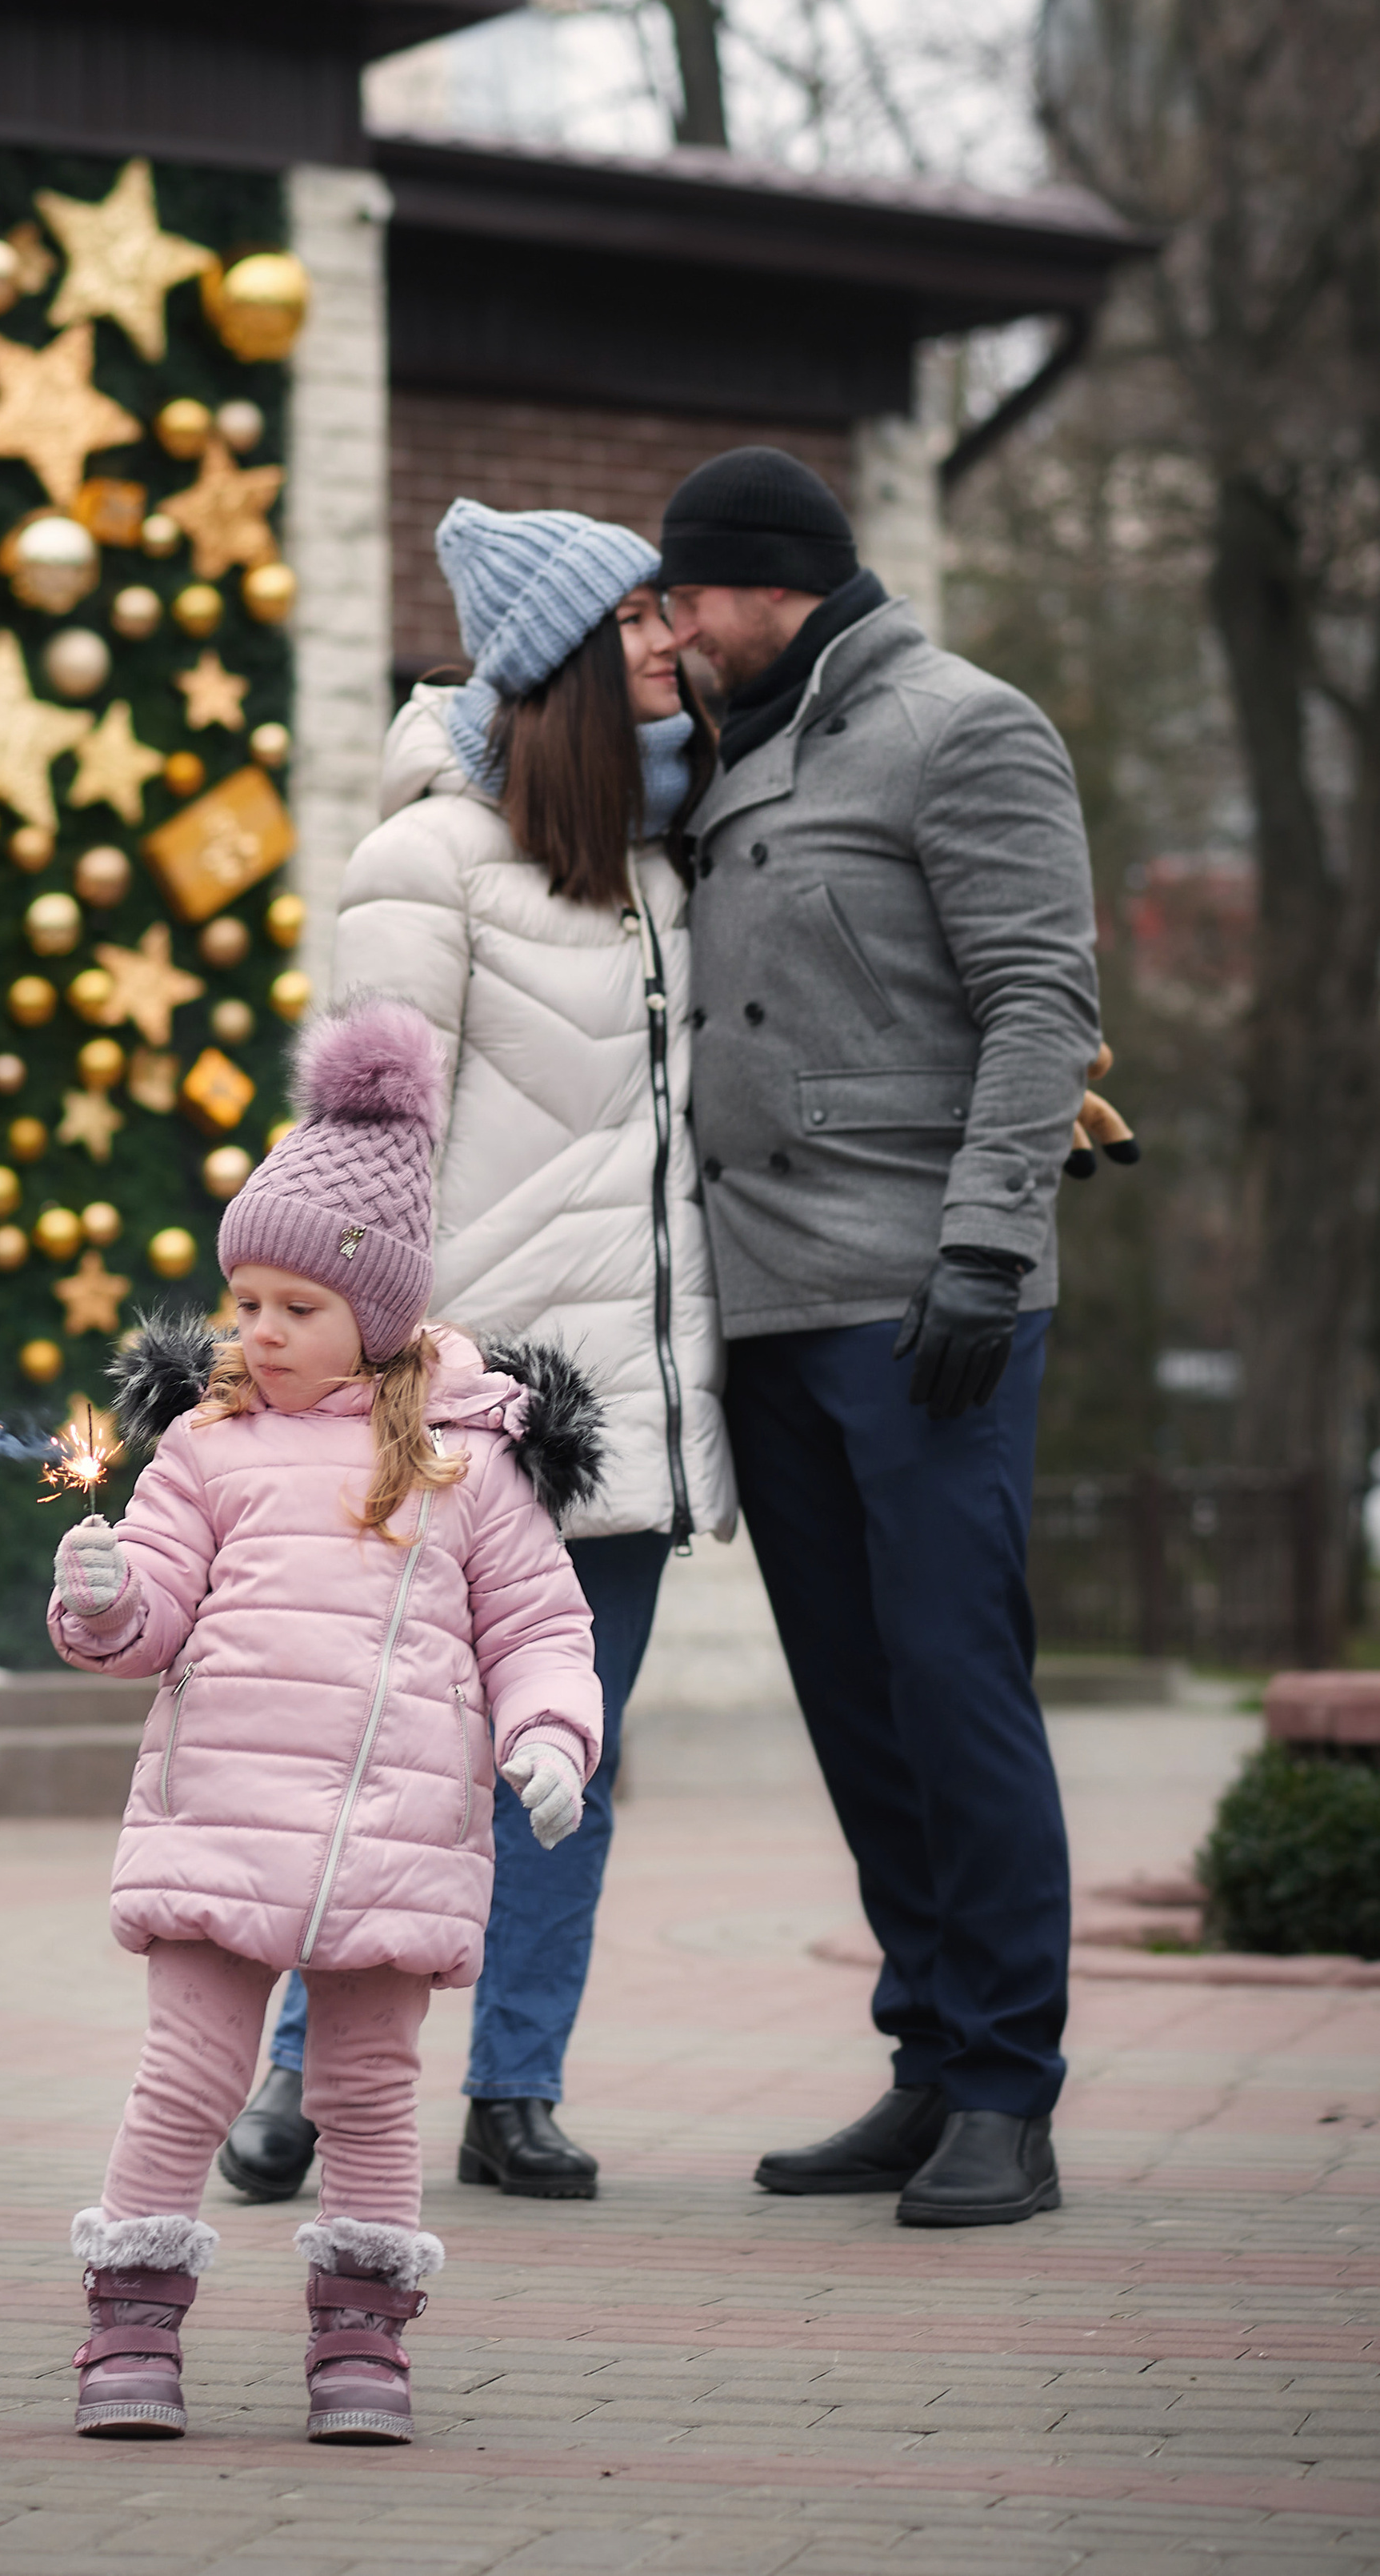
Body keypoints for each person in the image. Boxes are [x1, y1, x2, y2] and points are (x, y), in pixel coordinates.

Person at [222, 502, 737, 2207]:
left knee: (563, 1760)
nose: (673, 640)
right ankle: (294, 2075)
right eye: (644, 618)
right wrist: (346, 1375)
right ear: (571, 661)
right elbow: (364, 1145)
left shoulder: (666, 872)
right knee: (384, 1755)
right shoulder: (425, 862)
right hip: (448, 1424)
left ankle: (516, 2089)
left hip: (623, 1431)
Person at [47, 996, 604, 2446]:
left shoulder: (468, 1467)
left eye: (296, 1308)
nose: (260, 1333)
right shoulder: (206, 1449)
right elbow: (150, 1619)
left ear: (382, 1309)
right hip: (223, 1831)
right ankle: (128, 2331)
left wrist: (551, 1735)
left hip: (396, 1843)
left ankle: (363, 2346)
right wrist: (106, 1597)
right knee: (186, 2077)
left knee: (367, 2094)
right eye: (245, 1305)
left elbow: (541, 1625)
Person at [659, 443, 1101, 2229]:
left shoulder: (963, 726)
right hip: (766, 1301)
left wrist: (984, 1250)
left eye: (688, 594)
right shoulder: (724, 751)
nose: (672, 627)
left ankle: (1009, 2088)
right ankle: (926, 2061)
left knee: (953, 1687)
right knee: (855, 1707)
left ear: (770, 584)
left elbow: (1038, 998)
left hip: (927, 1303)